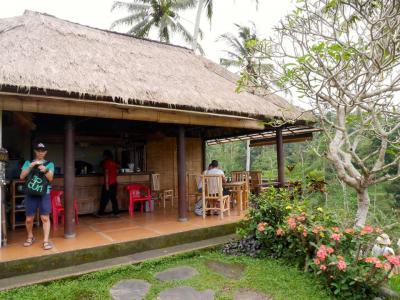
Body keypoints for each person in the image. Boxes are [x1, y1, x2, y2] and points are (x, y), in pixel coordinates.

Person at [20, 142, 55, 250]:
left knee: (45, 217)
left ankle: (45, 241)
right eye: (38, 150)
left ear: (46, 152)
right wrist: (30, 166)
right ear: (35, 151)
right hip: (31, 193)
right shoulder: (28, 163)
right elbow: (22, 176)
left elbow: (50, 178)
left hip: (44, 193)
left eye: (43, 150)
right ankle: (30, 236)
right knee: (29, 219)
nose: (40, 152)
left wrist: (46, 169)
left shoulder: (50, 164)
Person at [96, 150, 120, 217]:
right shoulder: (114, 163)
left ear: (105, 156)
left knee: (104, 198)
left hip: (109, 184)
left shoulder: (106, 162)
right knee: (113, 198)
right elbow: (117, 171)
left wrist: (106, 184)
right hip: (114, 183)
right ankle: (116, 212)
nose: (103, 156)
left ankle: (100, 213)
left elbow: (106, 173)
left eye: (103, 155)